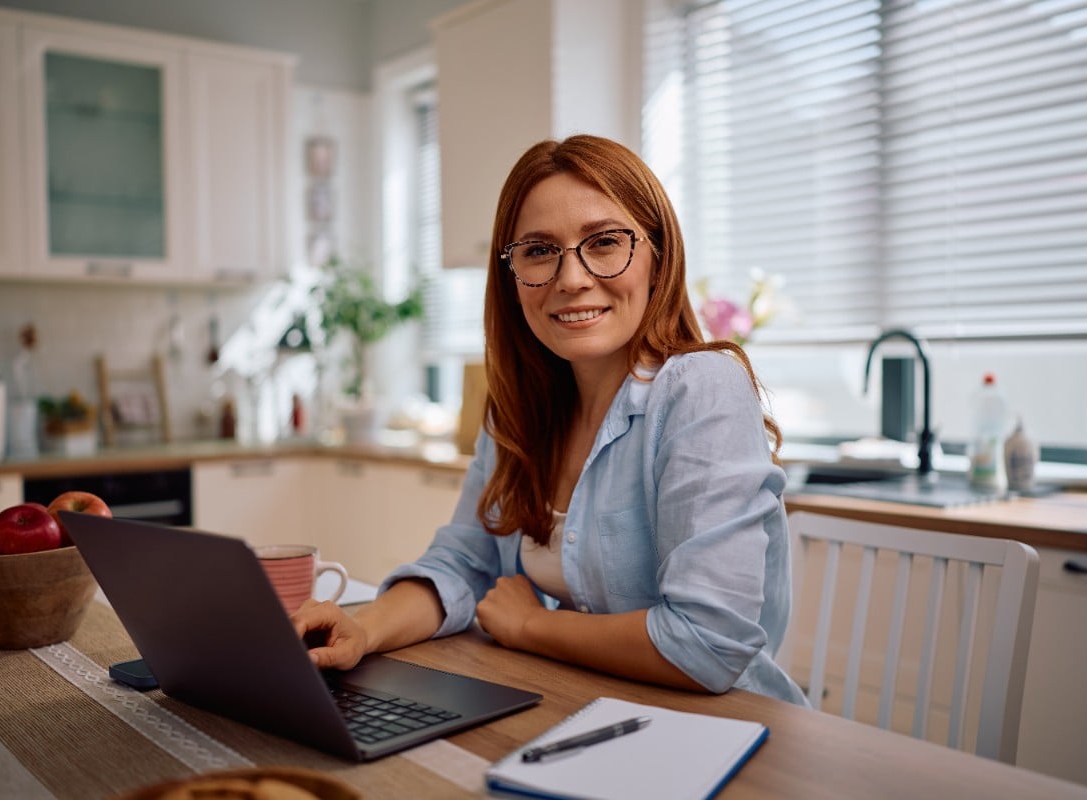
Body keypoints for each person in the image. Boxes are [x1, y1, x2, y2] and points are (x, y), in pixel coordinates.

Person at [292, 134, 807, 704]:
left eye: (605, 242)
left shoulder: (700, 388)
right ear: (512, 277)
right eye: (539, 250)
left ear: (659, 255)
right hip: (582, 703)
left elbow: (706, 642)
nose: (571, 278)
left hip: (729, 729)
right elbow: (463, 565)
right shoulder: (519, 409)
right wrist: (363, 630)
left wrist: (530, 626)